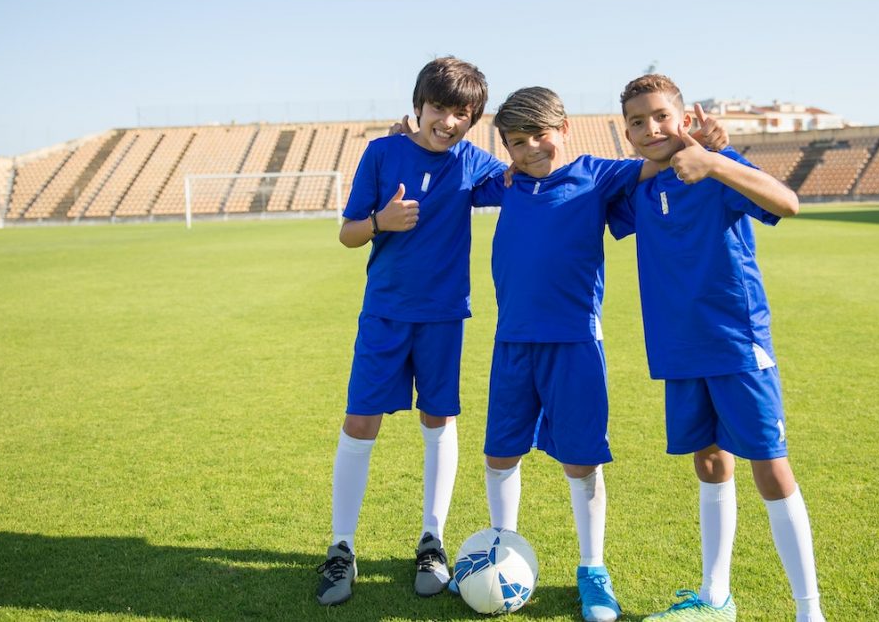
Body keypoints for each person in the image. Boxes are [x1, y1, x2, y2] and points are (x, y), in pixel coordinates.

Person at [470, 86, 725, 622]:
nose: (531, 148)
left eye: (541, 135)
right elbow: (452, 167)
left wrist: (696, 142)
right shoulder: (504, 183)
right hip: (512, 343)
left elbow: (655, 165)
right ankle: (502, 551)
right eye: (517, 142)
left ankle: (593, 569)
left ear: (565, 129)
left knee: (580, 458)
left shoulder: (597, 173)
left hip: (577, 343)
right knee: (500, 453)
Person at [606, 74, 825, 622]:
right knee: (709, 463)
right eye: (637, 121)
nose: (650, 127)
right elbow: (610, 204)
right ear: (626, 132)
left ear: (685, 116)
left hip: (734, 344)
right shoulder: (641, 187)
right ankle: (715, 597)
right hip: (678, 351)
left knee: (770, 468)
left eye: (660, 115)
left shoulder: (719, 170)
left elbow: (789, 203)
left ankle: (809, 611)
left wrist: (718, 160)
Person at [315, 56, 507, 606]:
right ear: (418, 105)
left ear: (474, 120)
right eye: (439, 109)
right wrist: (382, 222)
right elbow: (348, 235)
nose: (447, 122)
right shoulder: (382, 153)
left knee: (438, 417)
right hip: (384, 313)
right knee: (360, 420)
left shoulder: (474, 163)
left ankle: (432, 539)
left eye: (461, 113)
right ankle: (341, 548)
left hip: (445, 316)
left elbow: (522, 181)